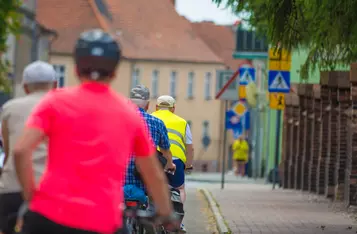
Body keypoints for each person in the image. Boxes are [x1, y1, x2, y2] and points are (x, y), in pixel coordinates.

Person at [12, 29, 177, 234]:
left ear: (76, 69)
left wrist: (31, 196)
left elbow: (20, 151)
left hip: (49, 216)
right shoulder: (129, 115)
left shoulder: (55, 102)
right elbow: (152, 173)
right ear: (115, 72)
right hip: (102, 221)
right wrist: (166, 213)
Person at [0, 61, 56, 234]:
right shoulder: (64, 108)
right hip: (49, 191)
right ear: (55, 85)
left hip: (11, 188)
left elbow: (9, 152)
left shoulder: (9, 108)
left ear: (25, 87)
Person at [151, 95, 193, 233]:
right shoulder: (182, 122)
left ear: (156, 107)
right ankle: (178, 221)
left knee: (152, 188)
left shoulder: (150, 118)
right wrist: (188, 165)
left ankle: (153, 217)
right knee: (179, 188)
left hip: (155, 159)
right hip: (176, 160)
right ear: (173, 108)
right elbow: (189, 147)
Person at [125, 84, 175, 193]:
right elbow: (166, 151)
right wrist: (170, 164)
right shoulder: (157, 123)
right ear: (147, 105)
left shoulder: (116, 120)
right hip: (146, 181)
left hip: (120, 181)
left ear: (128, 103)